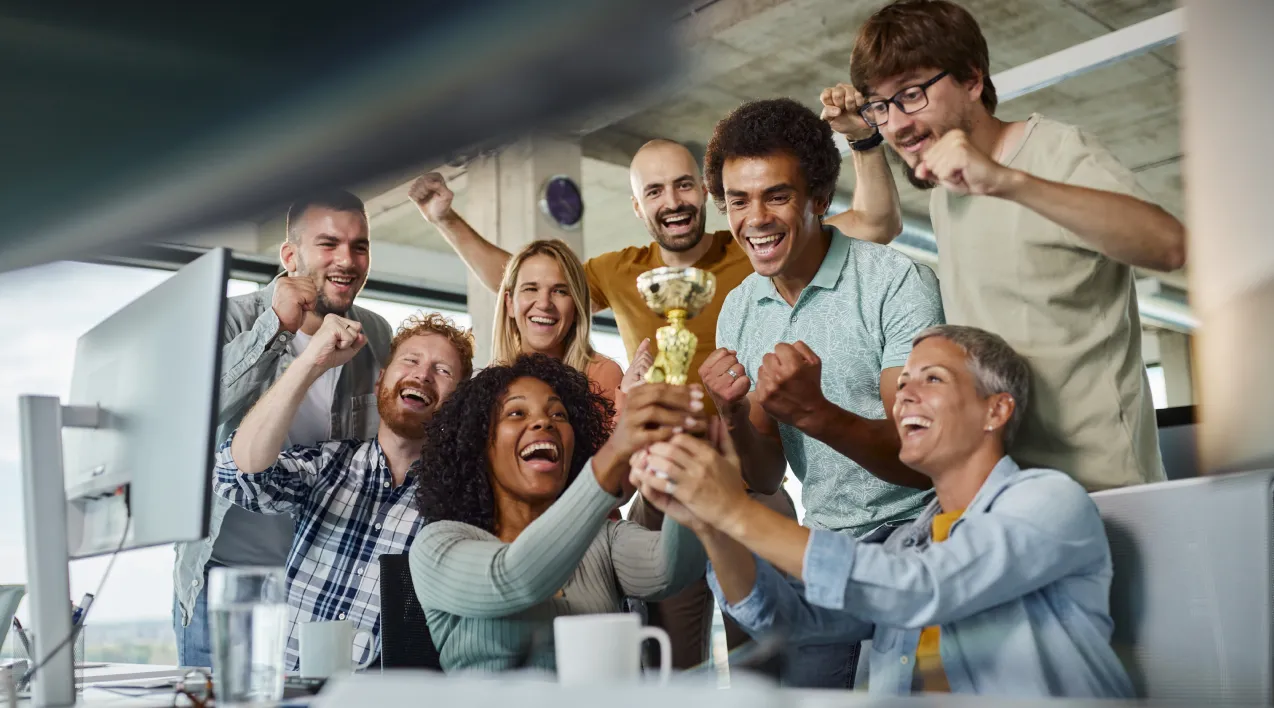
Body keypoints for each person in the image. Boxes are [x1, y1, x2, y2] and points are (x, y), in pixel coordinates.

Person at [409, 132, 907, 669]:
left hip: (746, 476)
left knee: (768, 650)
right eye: (655, 191)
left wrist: (864, 140)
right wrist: (446, 221)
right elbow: (529, 281)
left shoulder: (755, 245)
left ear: (706, 190)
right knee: (673, 657)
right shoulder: (619, 271)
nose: (671, 201)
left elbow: (876, 223)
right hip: (658, 488)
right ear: (638, 206)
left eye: (683, 185)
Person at [631, 325, 1135, 698]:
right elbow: (783, 618)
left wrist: (734, 508)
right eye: (902, 382)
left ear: (995, 410)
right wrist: (712, 524)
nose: (902, 396)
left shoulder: (1049, 502)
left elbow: (920, 588)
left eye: (932, 379)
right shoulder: (907, 543)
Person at [841, 0, 1187, 490]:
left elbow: (1169, 246)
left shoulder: (1057, 151)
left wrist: (1006, 180)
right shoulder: (943, 194)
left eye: (912, 94)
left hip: (1108, 492)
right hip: (1005, 493)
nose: (896, 124)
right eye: (881, 105)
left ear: (971, 80)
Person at [698, 97, 946, 687]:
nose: (754, 218)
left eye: (775, 195)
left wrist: (816, 414)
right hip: (824, 542)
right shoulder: (739, 307)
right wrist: (731, 414)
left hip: (920, 536)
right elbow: (762, 474)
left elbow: (920, 462)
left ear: (818, 200)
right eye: (738, 200)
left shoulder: (894, 282)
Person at [172, 191, 393, 668]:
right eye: (329, 244)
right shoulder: (230, 318)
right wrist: (275, 328)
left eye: (360, 246)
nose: (347, 260)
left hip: (325, 580)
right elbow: (190, 415)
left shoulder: (375, 333)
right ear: (290, 257)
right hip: (227, 580)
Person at [408, 355, 707, 673]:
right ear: (479, 445)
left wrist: (685, 470)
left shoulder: (600, 538)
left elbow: (674, 570)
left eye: (558, 414)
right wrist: (613, 454)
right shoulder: (437, 543)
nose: (543, 423)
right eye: (516, 413)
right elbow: (513, 578)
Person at [215, 311, 474, 670]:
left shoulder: (463, 505)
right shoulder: (329, 463)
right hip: (287, 693)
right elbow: (237, 473)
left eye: (442, 371)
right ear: (381, 381)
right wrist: (311, 363)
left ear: (459, 404)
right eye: (411, 361)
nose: (422, 375)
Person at [491, 239, 624, 406]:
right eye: (531, 289)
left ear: (577, 306)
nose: (544, 303)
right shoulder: (491, 381)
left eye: (559, 291)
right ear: (509, 303)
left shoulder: (603, 375)